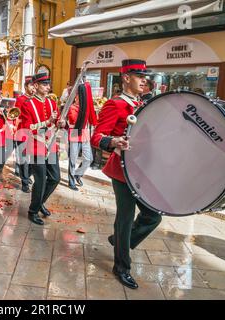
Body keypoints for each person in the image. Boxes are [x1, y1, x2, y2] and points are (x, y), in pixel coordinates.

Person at [91, 59, 162, 289]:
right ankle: (121, 266)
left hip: (143, 169)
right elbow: (96, 136)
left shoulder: (142, 103)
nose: (144, 80)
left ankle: (120, 241)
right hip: (122, 170)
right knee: (125, 218)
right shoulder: (115, 104)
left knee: (153, 216)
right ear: (126, 78)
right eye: (139, 76)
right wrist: (114, 141)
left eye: (145, 76)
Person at [20, 73, 64, 225]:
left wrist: (60, 122)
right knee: (40, 181)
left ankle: (40, 203)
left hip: (50, 144)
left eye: (48, 84)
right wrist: (46, 122)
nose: (48, 87)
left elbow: (56, 121)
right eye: (44, 84)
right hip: (36, 144)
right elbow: (26, 128)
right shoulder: (27, 104)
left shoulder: (52, 102)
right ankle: (33, 211)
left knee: (55, 178)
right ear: (36, 86)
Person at [67, 94, 97, 190]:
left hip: (85, 135)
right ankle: (71, 181)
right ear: (76, 98)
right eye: (80, 97)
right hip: (75, 133)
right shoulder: (72, 107)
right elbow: (74, 120)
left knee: (89, 158)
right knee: (73, 160)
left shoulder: (86, 108)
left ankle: (77, 174)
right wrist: (85, 111)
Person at [13, 75, 35, 193]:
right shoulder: (20, 99)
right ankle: (25, 182)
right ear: (26, 86)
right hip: (23, 131)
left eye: (34, 85)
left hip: (35, 133)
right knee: (24, 159)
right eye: (31, 85)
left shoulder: (36, 99)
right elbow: (16, 115)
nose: (33, 88)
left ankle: (27, 174)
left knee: (33, 158)